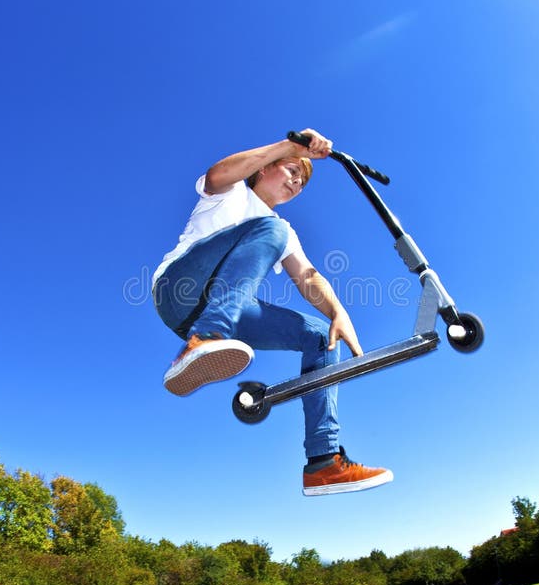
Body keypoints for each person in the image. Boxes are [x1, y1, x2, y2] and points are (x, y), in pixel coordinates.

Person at [152, 129, 393, 496]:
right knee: (271, 229)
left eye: (303, 181)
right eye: (293, 170)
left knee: (318, 335)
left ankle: (323, 462)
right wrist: (288, 146)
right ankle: (205, 338)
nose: (298, 181)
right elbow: (216, 174)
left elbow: (308, 277)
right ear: (265, 168)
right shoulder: (232, 192)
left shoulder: (284, 231)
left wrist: (339, 314)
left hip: (225, 306)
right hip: (178, 289)